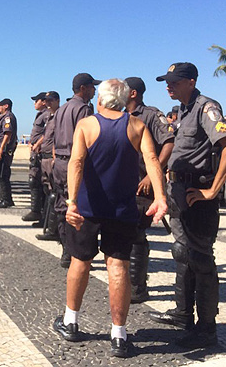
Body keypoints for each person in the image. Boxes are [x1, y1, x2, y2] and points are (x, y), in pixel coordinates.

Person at [54, 79, 168, 358]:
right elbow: (153, 160)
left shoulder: (88, 125)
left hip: (88, 208)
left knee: (80, 261)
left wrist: (71, 202)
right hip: (122, 208)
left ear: (101, 100)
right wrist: (160, 198)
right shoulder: (136, 126)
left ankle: (71, 321)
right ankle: (119, 335)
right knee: (118, 266)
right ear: (123, 99)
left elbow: (77, 163)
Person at [149, 62, 226, 349]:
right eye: (167, 81)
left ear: (191, 81)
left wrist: (212, 190)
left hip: (195, 195)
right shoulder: (184, 111)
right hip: (178, 191)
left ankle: (206, 329)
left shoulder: (205, 107)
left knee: (201, 260)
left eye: (175, 81)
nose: (168, 85)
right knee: (183, 254)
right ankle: (183, 313)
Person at [125, 77, 174, 303]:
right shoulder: (120, 115)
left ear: (133, 93)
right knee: (124, 232)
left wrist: (151, 175)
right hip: (123, 183)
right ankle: (125, 283)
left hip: (142, 184)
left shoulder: (151, 115)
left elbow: (169, 142)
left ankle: (137, 288)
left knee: (136, 234)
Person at [48, 73, 100, 264]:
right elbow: (88, 139)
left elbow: (53, 137)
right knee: (77, 206)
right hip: (75, 162)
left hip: (60, 162)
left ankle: (65, 250)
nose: (94, 90)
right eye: (92, 87)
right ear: (83, 88)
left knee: (62, 206)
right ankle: (76, 252)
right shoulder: (84, 110)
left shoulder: (61, 109)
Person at [30, 91, 60, 230]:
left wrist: (54, 155)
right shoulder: (49, 117)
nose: (48, 103)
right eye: (46, 101)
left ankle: (52, 227)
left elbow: (58, 137)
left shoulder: (59, 115)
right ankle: (45, 220)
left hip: (52, 157)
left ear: (57, 101)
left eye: (50, 101)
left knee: (53, 193)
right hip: (44, 155)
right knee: (46, 190)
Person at [22, 92, 49, 223]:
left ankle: (38, 212)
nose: (34, 103)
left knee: (38, 182)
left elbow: (49, 132)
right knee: (35, 181)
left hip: (40, 152)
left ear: (43, 102)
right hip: (35, 151)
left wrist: (38, 143)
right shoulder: (40, 115)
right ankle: (37, 211)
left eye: (36, 101)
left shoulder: (47, 115)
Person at [0, 99, 18, 208]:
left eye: (0, 105)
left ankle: (5, 199)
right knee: (0, 175)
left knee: (2, 175)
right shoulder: (1, 117)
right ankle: (6, 198)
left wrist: (1, 148)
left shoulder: (8, 117)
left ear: (6, 106)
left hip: (4, 151)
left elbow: (7, 134)